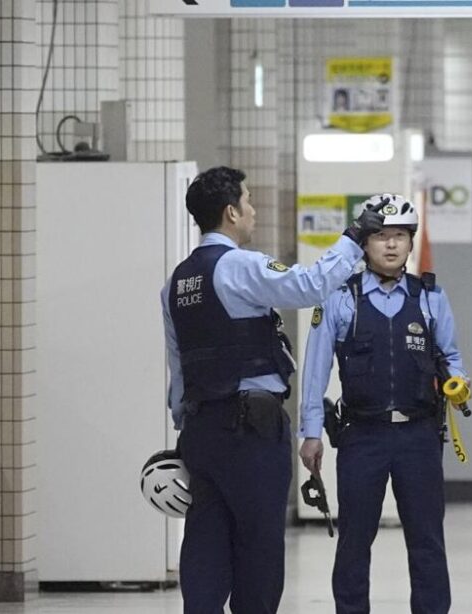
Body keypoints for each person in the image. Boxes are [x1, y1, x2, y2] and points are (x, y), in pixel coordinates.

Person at [162, 166, 384, 614]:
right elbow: (311, 285)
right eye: (248, 201)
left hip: (201, 432)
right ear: (230, 212)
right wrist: (355, 236)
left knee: (205, 541)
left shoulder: (176, 283)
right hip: (251, 431)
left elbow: (179, 370)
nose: (254, 210)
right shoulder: (240, 266)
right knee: (259, 543)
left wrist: (187, 431)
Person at [300, 194, 466, 614]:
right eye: (379, 236)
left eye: (400, 236)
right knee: (355, 541)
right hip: (362, 438)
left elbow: (451, 357)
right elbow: (315, 370)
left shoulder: (430, 297)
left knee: (427, 540)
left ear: (411, 243)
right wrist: (310, 432)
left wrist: (459, 382)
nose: (390, 245)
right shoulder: (342, 299)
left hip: (419, 436)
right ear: (365, 244)